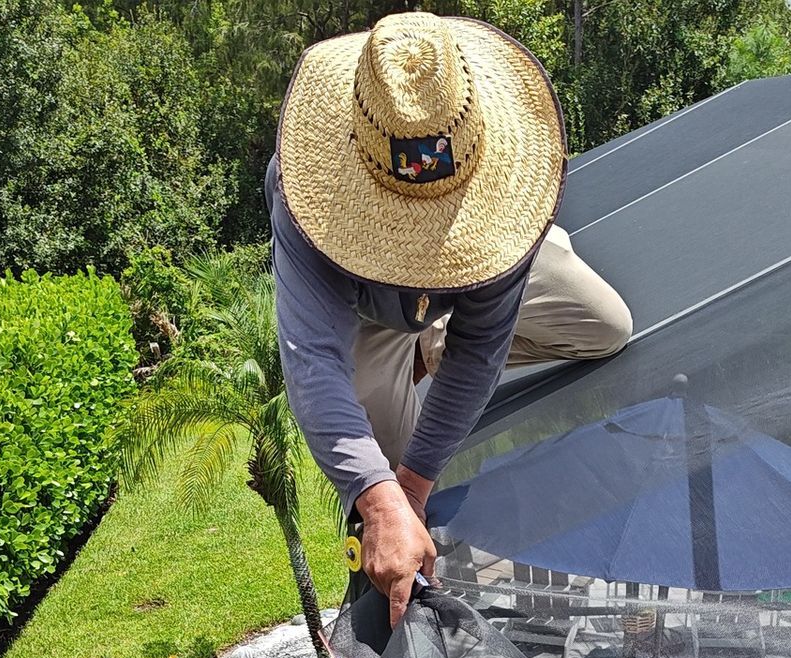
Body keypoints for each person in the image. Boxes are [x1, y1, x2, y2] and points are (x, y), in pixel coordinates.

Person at [270, 11, 632, 626]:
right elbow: (313, 361)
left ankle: (437, 330)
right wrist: (389, 500)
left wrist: (419, 480)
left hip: (483, 248)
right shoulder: (304, 194)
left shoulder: (511, 175)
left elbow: (482, 348)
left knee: (606, 325)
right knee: (378, 468)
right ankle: (415, 342)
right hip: (374, 319)